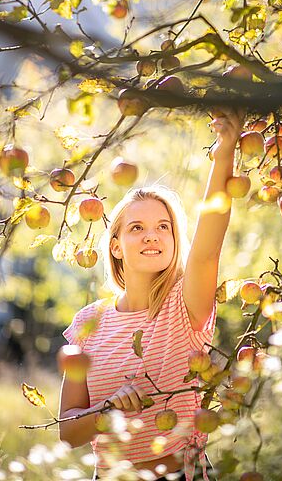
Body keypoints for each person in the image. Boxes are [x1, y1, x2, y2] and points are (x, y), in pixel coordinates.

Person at [58, 107, 245, 481]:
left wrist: (225, 152)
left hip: (181, 475)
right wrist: (106, 413)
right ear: (115, 246)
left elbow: (208, 246)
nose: (152, 235)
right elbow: (67, 431)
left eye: (164, 227)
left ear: (175, 241)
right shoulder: (88, 323)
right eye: (137, 227)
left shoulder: (184, 307)